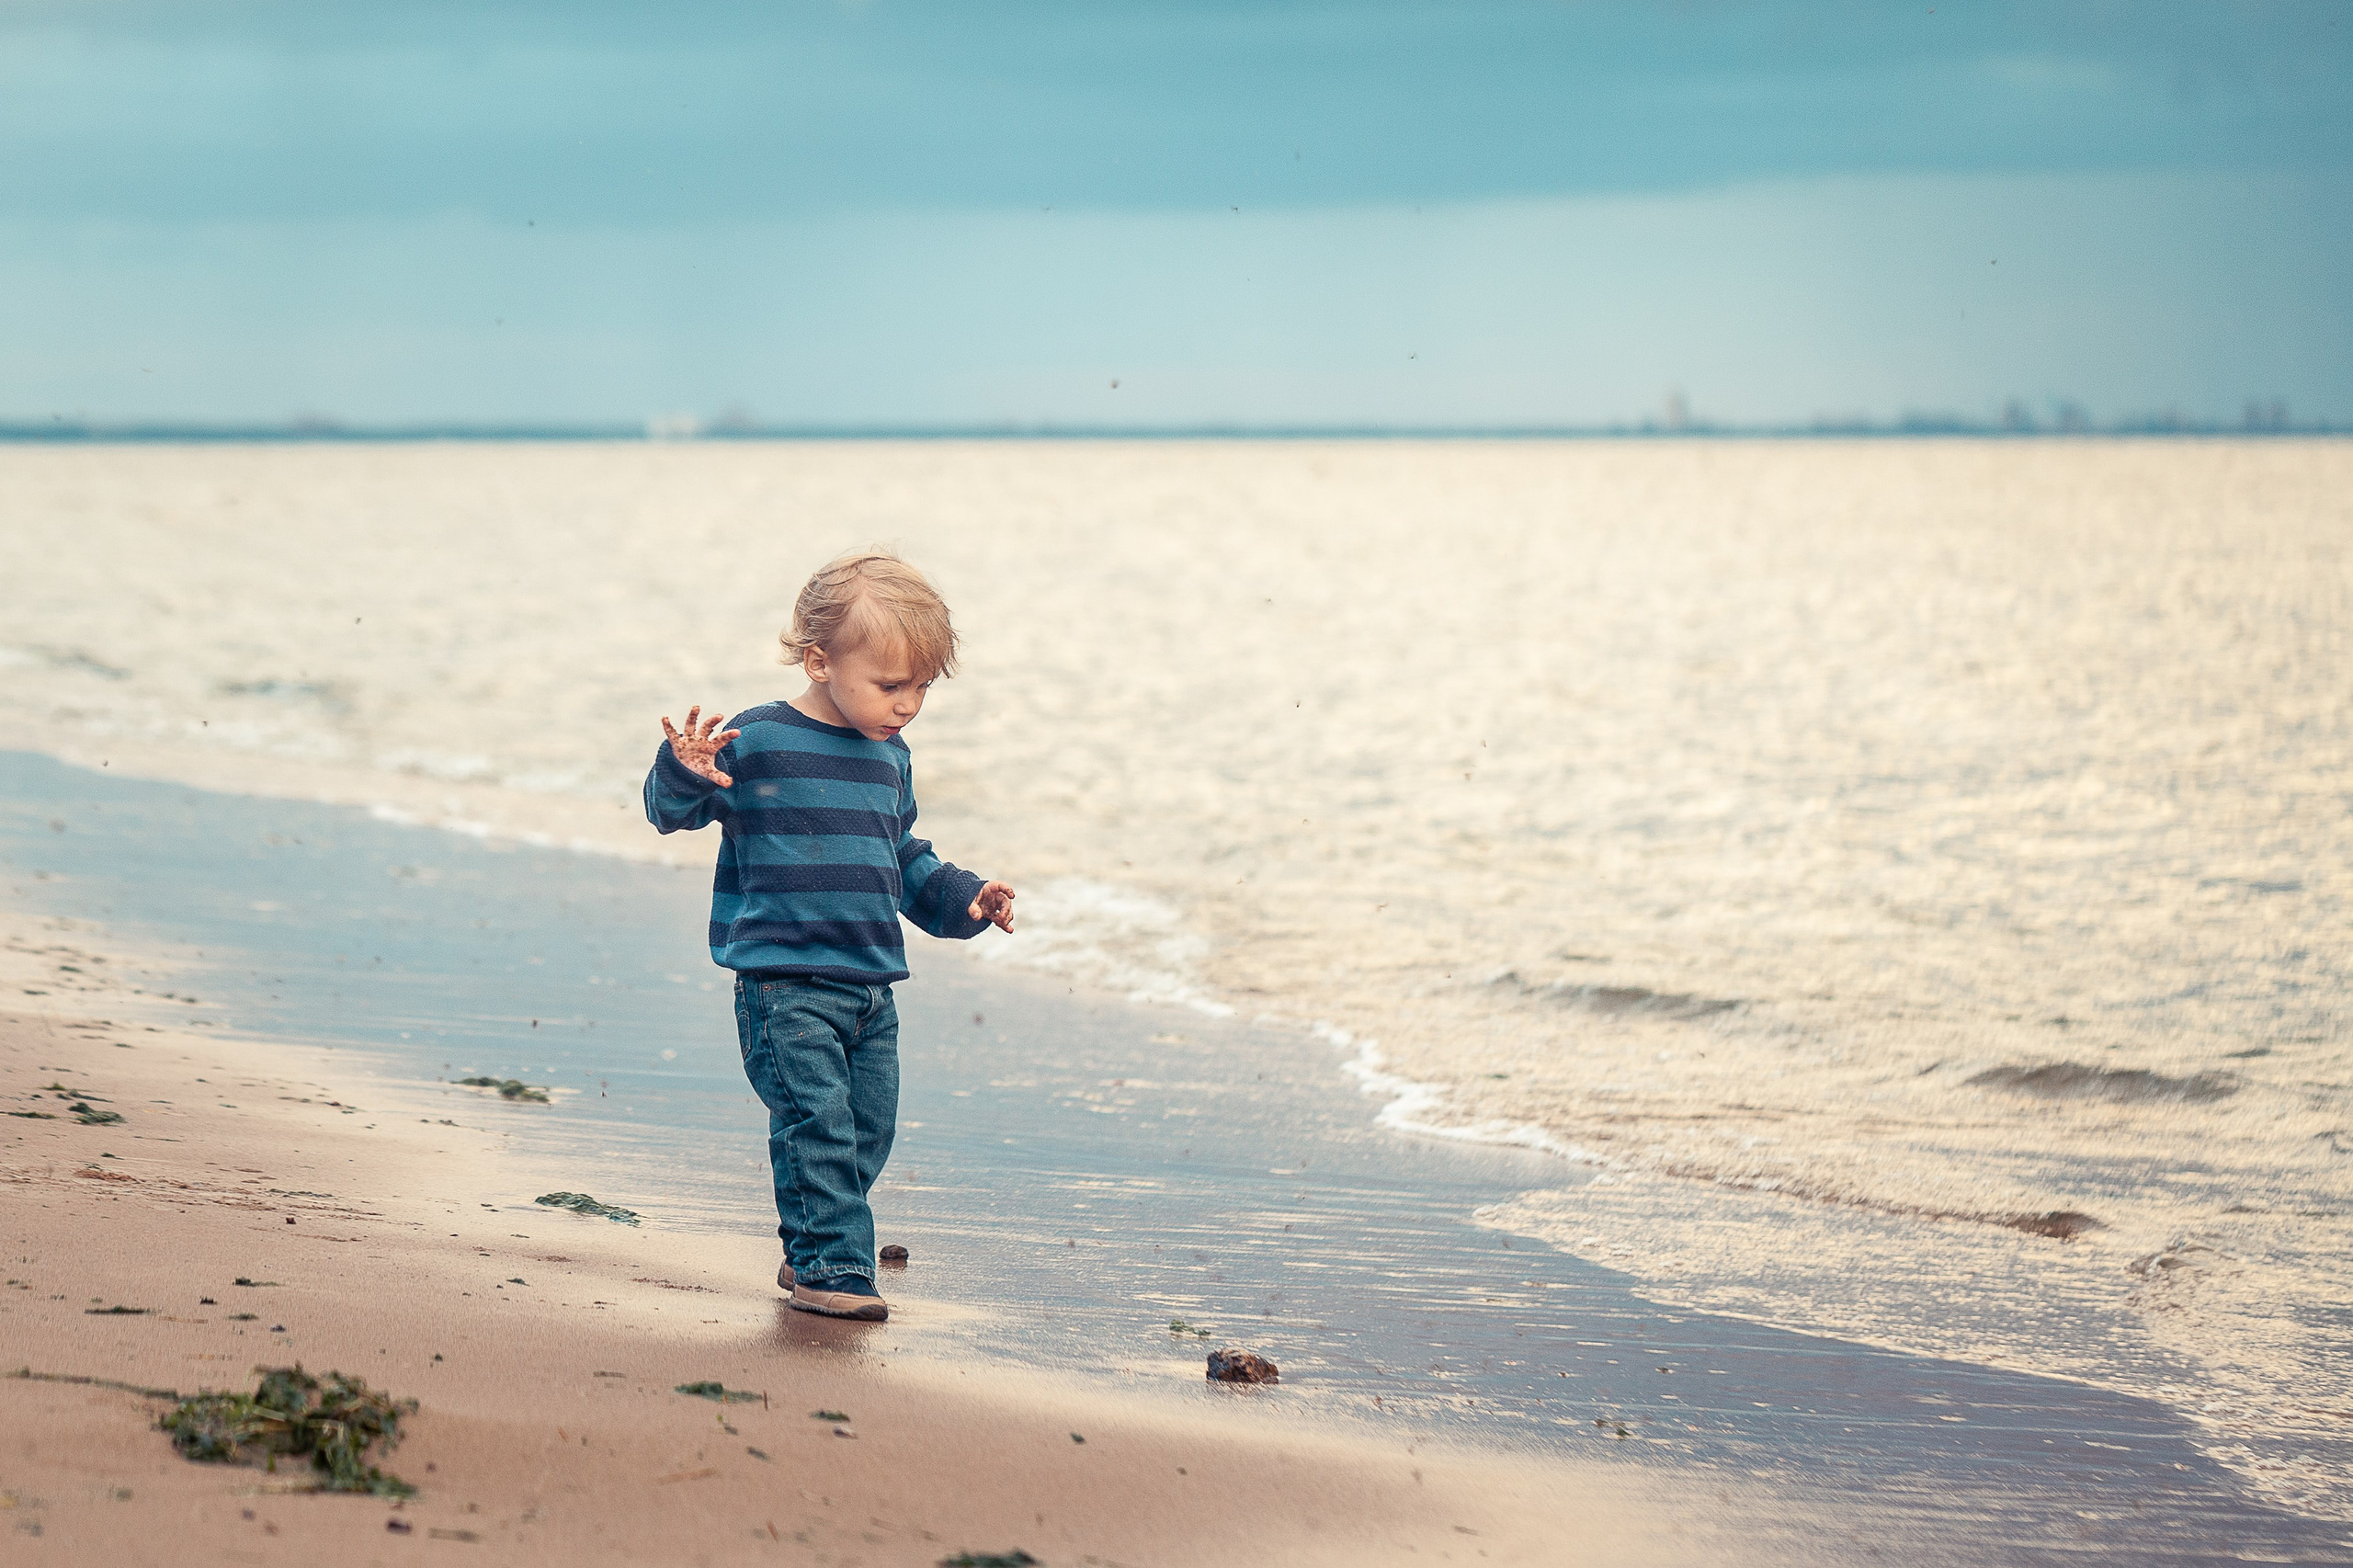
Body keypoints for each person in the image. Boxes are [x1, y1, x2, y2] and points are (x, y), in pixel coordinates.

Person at [644, 549, 1015, 1321]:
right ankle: (833, 1270)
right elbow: (673, 811)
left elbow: (904, 859)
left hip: (871, 987)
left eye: (920, 688)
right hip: (783, 984)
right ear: (819, 660)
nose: (907, 704)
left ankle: (812, 1239)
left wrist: (967, 900)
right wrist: (683, 771)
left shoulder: (890, 759)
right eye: (890, 685)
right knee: (817, 1121)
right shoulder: (759, 740)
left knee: (866, 1130)